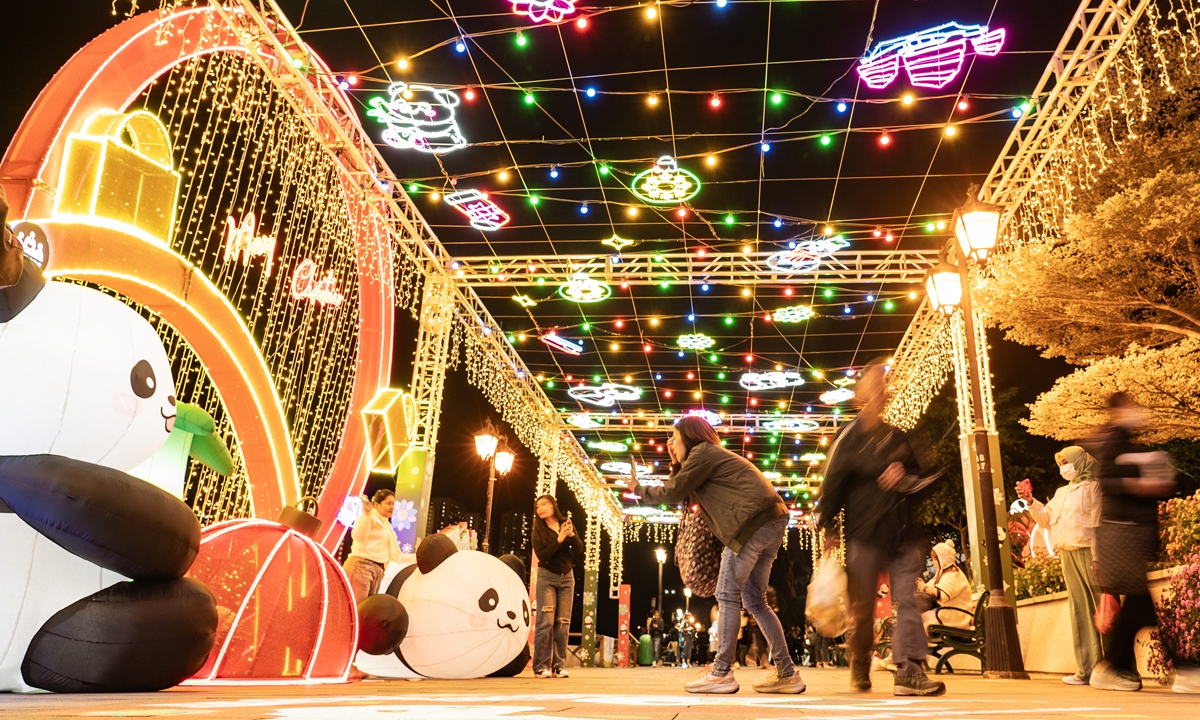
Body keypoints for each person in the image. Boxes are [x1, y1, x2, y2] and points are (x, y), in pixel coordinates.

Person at [633, 414, 803, 694]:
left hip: (751, 524)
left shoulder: (702, 452)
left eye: (674, 439)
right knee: (754, 600)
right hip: (772, 520)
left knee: (726, 594)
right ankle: (787, 673)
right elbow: (684, 489)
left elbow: (673, 492)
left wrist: (638, 488)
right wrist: (676, 464)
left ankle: (721, 672)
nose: (670, 444)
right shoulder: (708, 456)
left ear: (689, 437)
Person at [816, 360, 946, 696]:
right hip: (864, 535)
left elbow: (933, 477)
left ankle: (909, 671)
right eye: (873, 384)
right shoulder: (847, 438)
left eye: (883, 384)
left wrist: (904, 477)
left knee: (907, 598)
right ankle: (860, 662)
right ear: (859, 393)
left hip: (903, 534)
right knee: (862, 609)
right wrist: (828, 527)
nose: (879, 390)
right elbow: (832, 487)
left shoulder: (901, 437)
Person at [1085, 393, 1200, 693]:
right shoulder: (1113, 440)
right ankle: (1178, 670)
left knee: (1141, 609)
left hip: (1129, 535)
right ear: (1118, 410)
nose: (1138, 412)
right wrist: (1143, 483)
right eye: (1131, 407)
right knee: (1140, 607)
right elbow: (1108, 481)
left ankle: (1112, 667)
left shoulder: (1121, 440)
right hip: (1122, 535)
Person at [1016, 447, 1104, 685]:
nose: (1064, 466)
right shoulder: (1061, 492)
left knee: (1101, 608)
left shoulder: (1095, 487)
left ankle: (1108, 667)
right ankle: (1087, 668)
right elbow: (1045, 520)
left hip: (1088, 552)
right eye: (1061, 463)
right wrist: (1030, 501)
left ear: (1080, 461)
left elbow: (1097, 524)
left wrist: (1097, 557)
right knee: (1078, 611)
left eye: (1067, 461)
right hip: (1067, 553)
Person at [531, 494, 582, 679]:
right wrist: (558, 540)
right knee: (546, 622)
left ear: (554, 505)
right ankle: (541, 666)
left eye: (544, 504)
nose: (541, 508)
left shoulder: (566, 523)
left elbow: (578, 548)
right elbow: (543, 555)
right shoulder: (538, 530)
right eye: (538, 507)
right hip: (547, 577)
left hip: (567, 578)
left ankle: (559, 665)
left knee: (563, 623)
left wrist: (570, 536)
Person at [342, 490, 402, 603]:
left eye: (393, 504)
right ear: (377, 504)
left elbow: (397, 555)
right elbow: (359, 538)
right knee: (356, 608)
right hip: (361, 566)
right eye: (388, 503)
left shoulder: (386, 525)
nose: (392, 507)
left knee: (366, 611)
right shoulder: (368, 517)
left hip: (378, 570)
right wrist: (366, 515)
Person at [915, 541, 973, 630]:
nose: (933, 563)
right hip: (949, 614)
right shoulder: (946, 573)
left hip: (953, 618)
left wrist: (924, 587)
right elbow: (933, 587)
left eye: (934, 559)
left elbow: (941, 594)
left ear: (942, 559)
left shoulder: (953, 574)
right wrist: (923, 586)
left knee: (916, 619)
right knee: (913, 617)